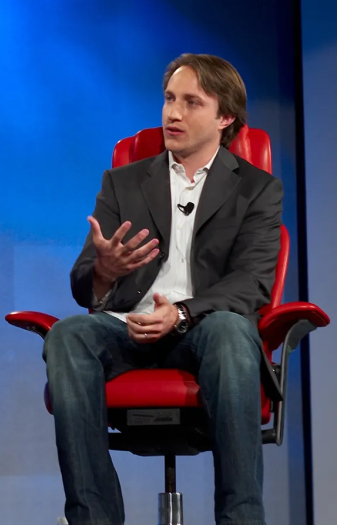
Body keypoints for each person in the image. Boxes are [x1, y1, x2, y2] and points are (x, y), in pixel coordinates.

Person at [43, 53, 281, 525]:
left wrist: (183, 313)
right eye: (169, 99)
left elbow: (251, 283)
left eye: (192, 102)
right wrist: (106, 272)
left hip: (205, 331)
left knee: (234, 332)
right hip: (126, 328)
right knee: (68, 334)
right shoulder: (123, 181)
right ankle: (93, 518)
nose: (173, 113)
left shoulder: (257, 189)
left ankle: (242, 518)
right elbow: (82, 282)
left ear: (225, 117)